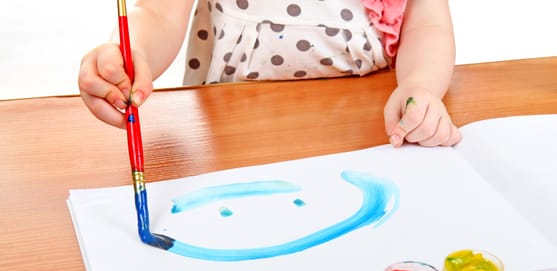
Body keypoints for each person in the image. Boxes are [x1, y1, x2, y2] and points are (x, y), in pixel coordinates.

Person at [78, 0, 462, 147]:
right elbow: (159, 13)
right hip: (237, 144)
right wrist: (134, 52)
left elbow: (427, 23)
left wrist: (420, 85)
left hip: (372, 136)